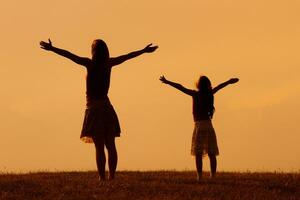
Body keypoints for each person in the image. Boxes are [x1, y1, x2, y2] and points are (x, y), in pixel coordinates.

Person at [40, 38, 158, 181]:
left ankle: (102, 178)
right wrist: (144, 51)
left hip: (94, 109)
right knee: (111, 145)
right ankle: (112, 177)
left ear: (94, 51)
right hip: (107, 108)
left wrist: (53, 49)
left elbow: (70, 55)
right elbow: (127, 56)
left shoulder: (90, 64)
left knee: (99, 147)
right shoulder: (109, 64)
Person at [159, 75, 238, 179]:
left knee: (198, 153)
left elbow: (180, 87)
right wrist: (229, 81)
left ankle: (199, 176)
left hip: (199, 126)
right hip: (208, 125)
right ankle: (213, 175)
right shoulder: (210, 94)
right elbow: (220, 86)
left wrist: (167, 81)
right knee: (211, 152)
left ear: (199, 85)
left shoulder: (195, 94)